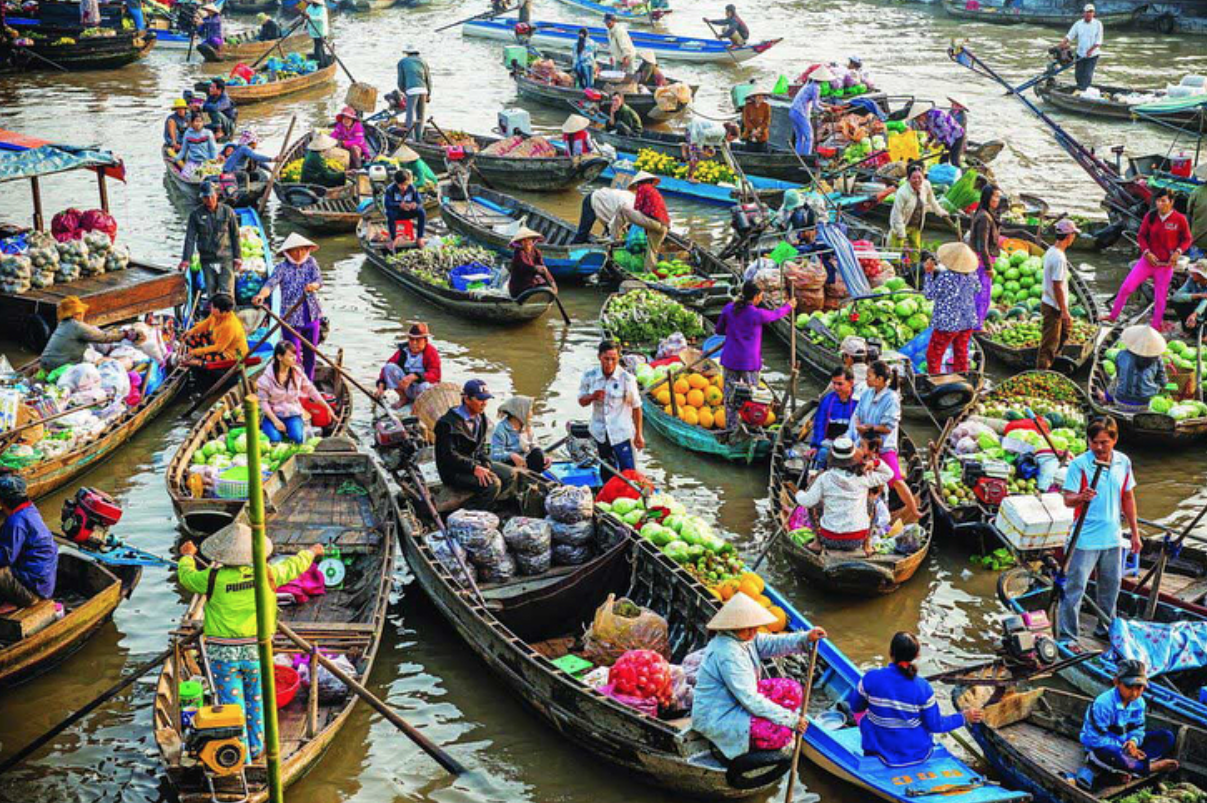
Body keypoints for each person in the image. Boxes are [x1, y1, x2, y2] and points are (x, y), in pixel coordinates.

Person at [177, 525, 322, 762]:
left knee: (232, 705)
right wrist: (312, 552)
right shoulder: (267, 574)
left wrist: (187, 557)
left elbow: (187, 577)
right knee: (256, 700)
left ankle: (240, 754)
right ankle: (255, 748)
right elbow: (294, 566)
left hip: (222, 656)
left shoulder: (212, 578)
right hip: (256, 651)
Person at [691, 593, 826, 763]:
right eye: (747, 628)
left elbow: (773, 644)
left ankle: (770, 719)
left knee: (792, 689)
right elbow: (750, 699)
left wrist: (805, 637)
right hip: (720, 713)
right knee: (780, 734)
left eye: (754, 627)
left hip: (738, 699)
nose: (753, 632)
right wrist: (791, 720)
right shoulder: (727, 653)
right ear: (733, 627)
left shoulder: (746, 638)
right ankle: (736, 744)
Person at [1059, 416, 1140, 643]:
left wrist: (1135, 532)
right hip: (1084, 539)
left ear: (1114, 440)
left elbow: (1128, 497)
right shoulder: (1080, 465)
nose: (1098, 447)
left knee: (1111, 587)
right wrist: (1081, 497)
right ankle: (1068, 636)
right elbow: (1068, 499)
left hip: (1112, 537)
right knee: (1075, 589)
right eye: (1094, 442)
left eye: (1104, 442)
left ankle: (1105, 629)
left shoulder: (1123, 462)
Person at [848, 632, 983, 766]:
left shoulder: (871, 678)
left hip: (878, 752)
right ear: (917, 655)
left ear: (890, 652)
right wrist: (963, 717)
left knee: (865, 717)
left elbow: (855, 706)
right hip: (917, 754)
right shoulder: (923, 687)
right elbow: (935, 725)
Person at [715, 281, 794, 435]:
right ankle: (753, 427)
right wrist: (789, 306)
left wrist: (733, 331)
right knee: (754, 398)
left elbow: (719, 329)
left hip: (730, 359)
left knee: (730, 396)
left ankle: (731, 429)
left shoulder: (729, 308)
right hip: (749, 362)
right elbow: (775, 315)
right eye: (760, 296)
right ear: (756, 297)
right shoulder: (757, 314)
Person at [1105, 189, 1193, 329]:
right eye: (1158, 201)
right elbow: (1141, 236)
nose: (1160, 204)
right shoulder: (1150, 216)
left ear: (1171, 202)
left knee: (1160, 297)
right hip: (1147, 261)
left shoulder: (1179, 219)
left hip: (1165, 265)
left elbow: (1187, 239)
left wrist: (1178, 251)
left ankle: (1156, 325)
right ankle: (1112, 316)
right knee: (1126, 287)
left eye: (1163, 201)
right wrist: (1146, 252)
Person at [1081, 660, 1179, 778]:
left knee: (1166, 737)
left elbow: (1138, 728)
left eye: (1139, 687)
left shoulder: (1139, 702)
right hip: (1102, 748)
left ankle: (1131, 768)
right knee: (1111, 753)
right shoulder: (1103, 704)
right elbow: (1094, 740)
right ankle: (1148, 767)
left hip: (1126, 746)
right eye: (1129, 687)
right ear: (1116, 682)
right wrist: (1126, 750)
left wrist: (1133, 742)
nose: (1134, 693)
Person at [795, 436, 893, 554]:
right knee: (871, 503)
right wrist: (876, 462)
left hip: (829, 539)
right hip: (858, 539)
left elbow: (807, 501)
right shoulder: (863, 477)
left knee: (815, 504)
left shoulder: (824, 478)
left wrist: (799, 493)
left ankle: (817, 543)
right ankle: (867, 545)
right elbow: (889, 473)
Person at [849, 360, 919, 521]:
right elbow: (858, 413)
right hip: (865, 443)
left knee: (895, 479)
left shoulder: (891, 398)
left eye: (869, 376)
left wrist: (869, 428)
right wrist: (859, 426)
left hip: (884, 445)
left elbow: (888, 427)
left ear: (880, 379)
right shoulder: (867, 393)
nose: (866, 379)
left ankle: (914, 510)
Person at [434, 380, 517, 510]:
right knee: (493, 484)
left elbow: (484, 445)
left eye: (486, 399)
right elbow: (448, 456)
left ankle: (487, 503)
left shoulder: (481, 417)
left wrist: (486, 463)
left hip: (474, 462)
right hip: (454, 471)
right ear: (467, 399)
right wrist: (474, 468)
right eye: (480, 399)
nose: (484, 403)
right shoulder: (447, 424)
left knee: (510, 474)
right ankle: (469, 512)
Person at [253, 232, 324, 380]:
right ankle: (295, 385)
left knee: (311, 353)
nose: (299, 253)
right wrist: (261, 295)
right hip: (291, 318)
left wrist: (313, 286)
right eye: (295, 250)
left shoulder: (311, 262)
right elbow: (270, 284)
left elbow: (319, 281)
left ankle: (308, 383)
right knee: (292, 356)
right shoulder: (281, 268)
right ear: (288, 252)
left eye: (303, 249)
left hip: (311, 315)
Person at [578, 340, 644, 475]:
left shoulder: (627, 379)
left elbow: (636, 407)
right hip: (600, 433)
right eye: (606, 359)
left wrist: (638, 434)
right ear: (599, 357)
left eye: (613, 359)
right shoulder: (590, 376)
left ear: (618, 358)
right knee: (607, 469)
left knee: (628, 472)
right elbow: (581, 401)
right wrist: (592, 397)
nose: (609, 363)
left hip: (621, 434)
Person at [255, 341, 333, 444]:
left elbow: (311, 390)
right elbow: (263, 402)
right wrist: (276, 421)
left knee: (297, 438)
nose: (294, 358)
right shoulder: (266, 379)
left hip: (292, 413)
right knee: (275, 439)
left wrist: (327, 406)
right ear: (280, 357)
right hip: (273, 414)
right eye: (291, 356)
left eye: (295, 355)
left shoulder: (297, 372)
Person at [0, 475, 58, 608]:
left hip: (33, 589)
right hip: (43, 583)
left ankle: (22, 599)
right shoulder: (30, 510)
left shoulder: (16, 522)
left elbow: (5, 559)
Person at [922, 244, 980, 374]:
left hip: (948, 323)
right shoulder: (972, 275)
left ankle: (936, 381)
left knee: (934, 355)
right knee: (961, 354)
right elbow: (978, 289)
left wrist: (929, 274)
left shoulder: (946, 277)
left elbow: (929, 295)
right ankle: (962, 378)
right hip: (967, 321)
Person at [180, 182, 241, 300]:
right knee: (211, 291)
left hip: (225, 258)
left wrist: (238, 257)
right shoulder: (196, 215)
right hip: (207, 259)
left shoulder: (227, 211)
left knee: (227, 292)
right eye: (206, 197)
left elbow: (235, 235)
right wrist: (186, 259)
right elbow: (190, 238)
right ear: (202, 198)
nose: (209, 200)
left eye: (211, 196)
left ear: (216, 195)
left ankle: (228, 316)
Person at [41, 296, 134, 372]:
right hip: (59, 365)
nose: (83, 315)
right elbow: (104, 337)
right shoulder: (77, 326)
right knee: (100, 361)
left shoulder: (63, 324)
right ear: (76, 314)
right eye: (81, 313)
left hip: (45, 362)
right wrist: (124, 335)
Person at [1039, 219, 1080, 370]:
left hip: (1050, 302)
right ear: (1069, 236)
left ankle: (1052, 364)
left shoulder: (1051, 251)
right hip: (1053, 305)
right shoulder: (1059, 258)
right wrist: (1064, 310)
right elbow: (1057, 286)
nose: (1074, 238)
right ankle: (1042, 371)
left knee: (1064, 333)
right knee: (1049, 345)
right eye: (1073, 235)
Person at [889, 164, 949, 261]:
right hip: (901, 224)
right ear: (908, 179)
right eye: (914, 178)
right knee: (897, 251)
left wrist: (940, 212)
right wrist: (901, 233)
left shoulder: (926, 185)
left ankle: (914, 268)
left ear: (923, 177)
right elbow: (897, 213)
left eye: (919, 177)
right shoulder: (902, 192)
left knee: (915, 250)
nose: (917, 180)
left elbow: (932, 200)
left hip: (916, 224)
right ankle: (896, 267)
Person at [375, 322, 441, 404]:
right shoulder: (403, 351)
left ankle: (419, 406)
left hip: (420, 390)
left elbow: (435, 375)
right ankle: (401, 398)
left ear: (425, 340)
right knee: (389, 367)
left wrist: (415, 376)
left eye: (418, 340)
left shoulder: (431, 352)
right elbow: (386, 369)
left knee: (426, 386)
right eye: (411, 339)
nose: (414, 343)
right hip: (405, 388)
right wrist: (381, 387)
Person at [969, 183, 1003, 327]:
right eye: (995, 197)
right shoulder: (984, 217)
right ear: (988, 197)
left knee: (979, 293)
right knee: (982, 296)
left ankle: (976, 322)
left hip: (981, 261)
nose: (998, 200)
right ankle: (977, 325)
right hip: (982, 262)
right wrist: (989, 267)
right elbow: (982, 245)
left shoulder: (985, 213)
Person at [1110, 325, 1168, 409]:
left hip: (1121, 401)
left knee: (1115, 381)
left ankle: (1106, 397)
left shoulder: (1121, 355)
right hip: (1146, 404)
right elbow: (1163, 382)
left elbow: (1119, 375)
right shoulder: (1157, 359)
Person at [182, 293, 248, 366]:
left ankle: (198, 362)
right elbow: (205, 324)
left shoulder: (229, 325)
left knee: (205, 356)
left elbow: (219, 348)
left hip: (232, 354)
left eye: (213, 307)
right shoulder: (215, 315)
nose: (211, 309)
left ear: (221, 310)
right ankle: (189, 356)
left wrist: (196, 352)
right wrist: (191, 332)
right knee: (190, 338)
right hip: (217, 343)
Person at [810, 367, 860, 463]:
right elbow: (819, 424)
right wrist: (815, 446)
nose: (836, 387)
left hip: (851, 445)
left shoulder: (858, 401)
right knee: (822, 454)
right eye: (834, 383)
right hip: (829, 443)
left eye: (840, 384)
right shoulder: (828, 400)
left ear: (851, 383)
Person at [491, 395, 550, 471]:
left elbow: (533, 445)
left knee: (538, 453)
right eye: (530, 410)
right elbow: (495, 455)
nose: (531, 413)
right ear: (520, 411)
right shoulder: (500, 429)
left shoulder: (526, 426)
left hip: (524, 462)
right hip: (509, 465)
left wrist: (544, 457)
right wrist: (511, 455)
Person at [790, 66, 833, 157]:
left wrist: (827, 105)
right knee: (809, 137)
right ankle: (806, 157)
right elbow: (815, 106)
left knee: (800, 138)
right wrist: (826, 110)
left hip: (793, 111)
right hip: (800, 112)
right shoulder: (816, 87)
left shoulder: (808, 85)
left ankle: (798, 157)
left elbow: (817, 101)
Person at [631, 171, 669, 270]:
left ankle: (612, 236)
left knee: (622, 209)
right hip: (664, 226)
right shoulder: (654, 191)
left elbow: (637, 207)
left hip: (654, 223)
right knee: (652, 251)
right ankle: (650, 271)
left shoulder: (642, 188)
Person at [1062, 3, 1104, 92]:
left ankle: (1084, 92)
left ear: (1094, 13)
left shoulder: (1098, 24)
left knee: (1087, 75)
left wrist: (1090, 50)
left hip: (1092, 55)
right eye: (1087, 12)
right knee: (1078, 75)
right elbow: (1070, 36)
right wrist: (1061, 44)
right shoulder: (1078, 24)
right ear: (1083, 13)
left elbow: (1098, 41)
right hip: (1080, 53)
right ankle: (1080, 89)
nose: (1089, 14)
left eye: (1091, 12)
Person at [508, 227, 558, 298]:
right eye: (524, 241)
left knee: (546, 285)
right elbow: (523, 266)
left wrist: (552, 282)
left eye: (529, 240)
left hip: (531, 283)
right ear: (520, 242)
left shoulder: (536, 252)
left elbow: (543, 269)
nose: (527, 242)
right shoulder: (519, 253)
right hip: (519, 286)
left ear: (533, 240)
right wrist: (535, 268)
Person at [382, 169, 427, 247]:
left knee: (421, 212)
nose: (404, 187)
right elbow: (387, 204)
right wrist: (399, 205)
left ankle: (419, 237)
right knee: (390, 213)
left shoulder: (412, 188)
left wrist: (415, 204)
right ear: (396, 183)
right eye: (401, 185)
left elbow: (419, 202)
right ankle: (393, 238)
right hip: (397, 213)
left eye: (405, 184)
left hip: (409, 212)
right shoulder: (390, 189)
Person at [396, 47, 431, 140]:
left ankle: (410, 138)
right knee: (421, 115)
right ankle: (419, 138)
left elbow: (400, 80)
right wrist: (429, 94)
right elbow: (429, 79)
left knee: (410, 114)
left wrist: (403, 91)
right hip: (424, 89)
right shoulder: (423, 61)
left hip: (411, 90)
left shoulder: (402, 62)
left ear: (407, 53)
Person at [1172, 260, 1207, 331]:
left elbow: (1204, 301)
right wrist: (1198, 295)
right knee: (1177, 303)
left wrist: (1195, 314)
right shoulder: (1191, 279)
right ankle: (1189, 327)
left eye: (1195, 272)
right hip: (1196, 304)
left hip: (1203, 309)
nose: (1192, 273)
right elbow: (1176, 296)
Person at [303, 0, 330, 67]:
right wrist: (304, 17)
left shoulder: (322, 9)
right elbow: (306, 15)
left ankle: (321, 65)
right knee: (320, 48)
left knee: (317, 49)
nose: (314, 4)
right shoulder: (310, 7)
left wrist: (310, 17)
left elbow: (320, 18)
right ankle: (325, 64)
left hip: (321, 32)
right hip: (313, 32)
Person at [944, 97, 968, 167]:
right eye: (953, 104)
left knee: (955, 159)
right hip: (950, 136)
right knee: (945, 155)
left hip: (958, 138)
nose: (953, 106)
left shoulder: (962, 116)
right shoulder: (951, 112)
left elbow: (957, 128)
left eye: (956, 105)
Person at [1188, 163, 1207, 255]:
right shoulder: (1197, 192)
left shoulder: (1196, 191)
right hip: (1199, 239)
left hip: (1197, 238)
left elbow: (1189, 213)